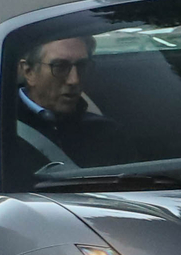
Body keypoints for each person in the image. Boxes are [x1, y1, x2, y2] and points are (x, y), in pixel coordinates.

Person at [13, 35, 128, 166]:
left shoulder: (107, 134)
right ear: (29, 72)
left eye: (82, 66)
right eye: (60, 67)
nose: (74, 80)